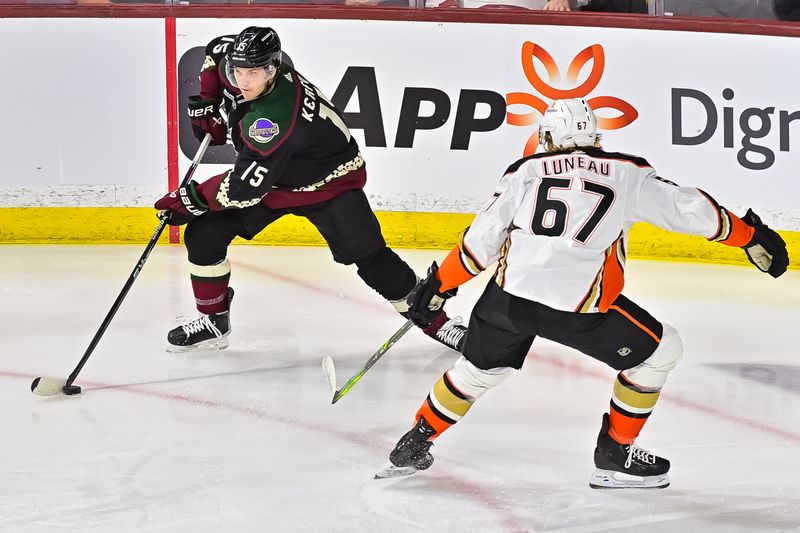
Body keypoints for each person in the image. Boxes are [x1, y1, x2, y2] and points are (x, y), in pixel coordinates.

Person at [376, 98, 789, 487]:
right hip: (577, 306)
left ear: (547, 138)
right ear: (596, 139)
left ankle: (416, 440)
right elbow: (688, 209)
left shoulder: (525, 170)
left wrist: (438, 287)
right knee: (661, 352)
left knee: (479, 370)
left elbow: (479, 242)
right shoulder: (627, 172)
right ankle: (615, 454)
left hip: (508, 298)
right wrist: (750, 236)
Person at [154, 26, 467, 354]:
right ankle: (214, 322)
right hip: (276, 180)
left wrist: (193, 198)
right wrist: (206, 100)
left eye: (255, 73)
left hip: (328, 184)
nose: (244, 81)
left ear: (273, 68)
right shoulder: (242, 65)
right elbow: (217, 50)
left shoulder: (270, 120)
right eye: (239, 72)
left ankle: (437, 322)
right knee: (204, 236)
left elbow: (245, 188)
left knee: (372, 259)